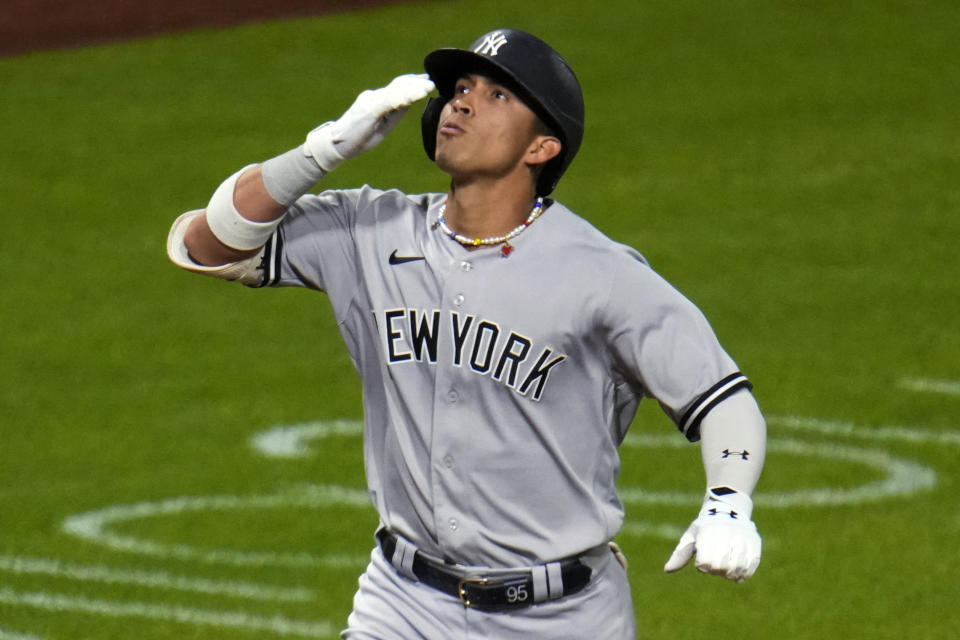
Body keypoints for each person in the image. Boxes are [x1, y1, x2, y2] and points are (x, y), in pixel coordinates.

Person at [167, 28, 766, 639]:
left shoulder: (602, 274)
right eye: (460, 88)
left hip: (562, 618)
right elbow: (207, 244)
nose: (463, 102)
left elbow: (722, 398)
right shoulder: (369, 232)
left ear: (542, 147)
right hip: (403, 605)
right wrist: (322, 151)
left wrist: (728, 502)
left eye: (498, 95)